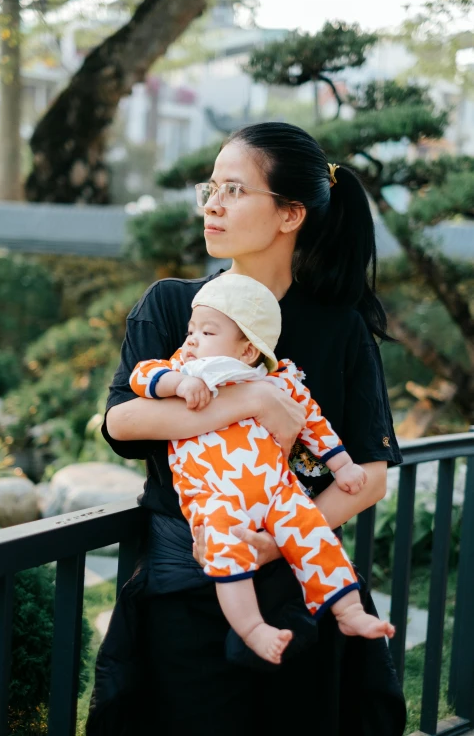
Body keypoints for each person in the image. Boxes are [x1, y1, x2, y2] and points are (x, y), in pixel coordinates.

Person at [86, 122, 406, 736]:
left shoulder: (338, 327)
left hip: (296, 584)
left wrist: (267, 545)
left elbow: (366, 476)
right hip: (186, 584)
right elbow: (124, 423)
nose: (211, 204)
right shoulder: (175, 306)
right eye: (211, 187)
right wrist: (255, 397)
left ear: (290, 214)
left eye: (234, 189)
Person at [130, 272, 395, 665]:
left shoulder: (280, 379)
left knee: (314, 535)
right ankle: (252, 628)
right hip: (216, 497)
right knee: (227, 552)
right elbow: (142, 375)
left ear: (249, 351)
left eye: (207, 331)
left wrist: (342, 466)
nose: (191, 339)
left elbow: (313, 424)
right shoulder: (188, 369)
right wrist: (175, 385)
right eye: (191, 329)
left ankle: (348, 609)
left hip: (276, 492)